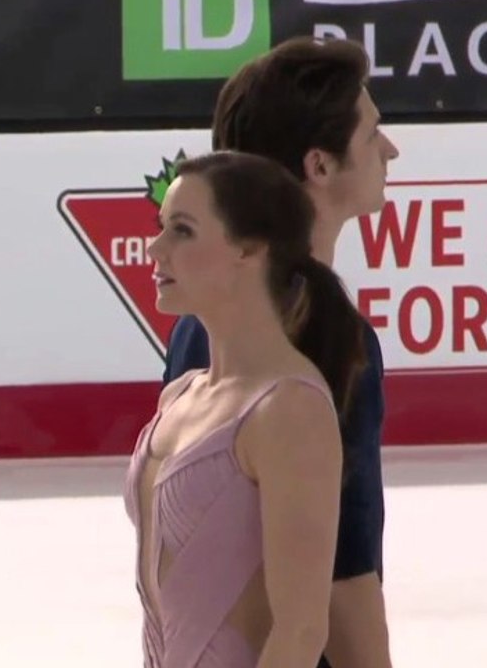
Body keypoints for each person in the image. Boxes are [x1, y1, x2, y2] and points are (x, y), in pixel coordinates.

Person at [162, 37, 401, 668]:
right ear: (320, 165)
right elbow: (344, 581)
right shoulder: (331, 339)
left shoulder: (199, 326)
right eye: (373, 131)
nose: (390, 149)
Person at [125, 150, 369, 667]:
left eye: (183, 231)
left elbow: (300, 630)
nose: (155, 248)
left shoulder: (288, 410)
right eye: (162, 227)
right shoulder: (181, 396)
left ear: (249, 249)